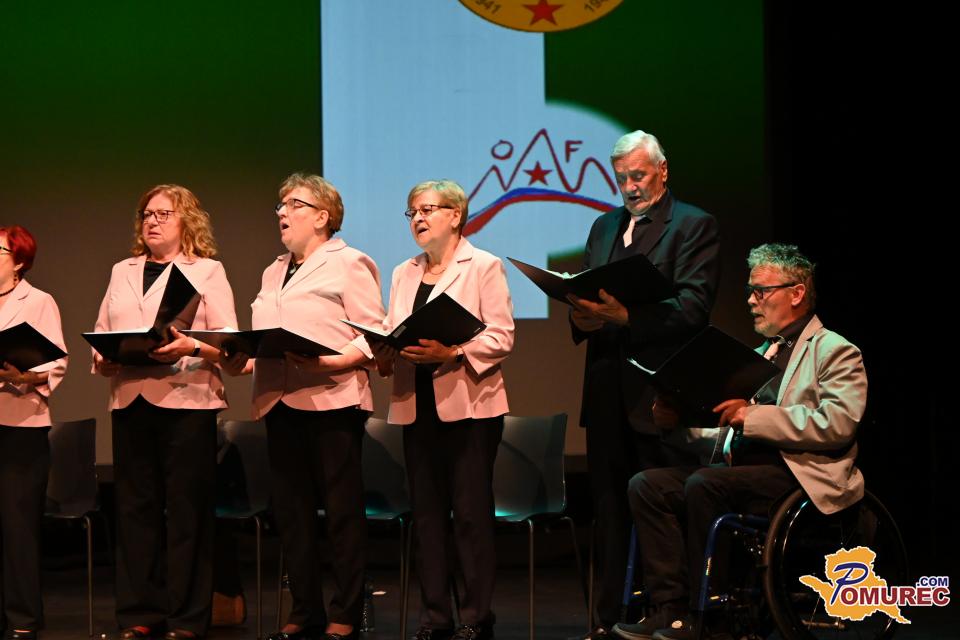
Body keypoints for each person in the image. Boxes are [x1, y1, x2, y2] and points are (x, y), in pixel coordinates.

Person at [612, 243, 867, 640]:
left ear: (796, 293)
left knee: (705, 484)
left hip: (799, 475)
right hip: (742, 472)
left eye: (760, 291)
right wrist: (677, 425)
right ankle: (670, 609)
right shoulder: (760, 355)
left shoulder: (836, 351)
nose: (751, 300)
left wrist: (754, 416)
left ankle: (709, 615)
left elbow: (838, 423)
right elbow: (726, 434)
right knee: (647, 485)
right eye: (751, 291)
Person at [568, 130, 720, 637]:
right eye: (622, 178)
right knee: (608, 508)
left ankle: (667, 610)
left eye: (639, 175)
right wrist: (581, 316)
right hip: (605, 390)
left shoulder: (693, 225)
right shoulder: (604, 226)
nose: (630, 186)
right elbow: (587, 295)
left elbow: (694, 307)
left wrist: (628, 316)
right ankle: (609, 618)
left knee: (658, 508)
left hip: (658, 392)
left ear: (663, 171)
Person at [221, 173, 384, 640]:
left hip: (333, 399)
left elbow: (373, 335)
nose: (282, 213)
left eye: (294, 204)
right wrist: (241, 360)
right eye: (280, 205)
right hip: (279, 401)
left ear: (322, 216)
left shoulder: (349, 262)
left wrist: (334, 361)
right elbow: (269, 342)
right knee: (292, 514)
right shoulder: (273, 271)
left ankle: (345, 612)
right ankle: (305, 610)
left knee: (341, 512)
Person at [93, 185, 238, 640]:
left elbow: (227, 341)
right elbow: (103, 331)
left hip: (186, 400)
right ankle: (141, 612)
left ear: (186, 221)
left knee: (187, 512)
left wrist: (190, 346)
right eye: (147, 214)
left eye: (163, 214)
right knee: (135, 510)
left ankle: (187, 618)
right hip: (130, 398)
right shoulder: (122, 270)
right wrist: (103, 357)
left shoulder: (207, 270)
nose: (152, 221)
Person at [371, 179, 514, 640]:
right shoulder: (403, 272)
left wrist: (453, 353)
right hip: (416, 405)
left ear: (456, 215)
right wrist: (384, 350)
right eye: (412, 211)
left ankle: (475, 618)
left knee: (470, 517)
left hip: (470, 408)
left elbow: (501, 336)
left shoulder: (483, 266)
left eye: (428, 209)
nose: (418, 218)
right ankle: (435, 617)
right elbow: (394, 328)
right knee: (428, 518)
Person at [0, 225, 67, 640]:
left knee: (18, 524)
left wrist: (26, 377)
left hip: (20, 422)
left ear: (19, 261)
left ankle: (23, 617)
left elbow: (56, 362)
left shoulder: (38, 302)